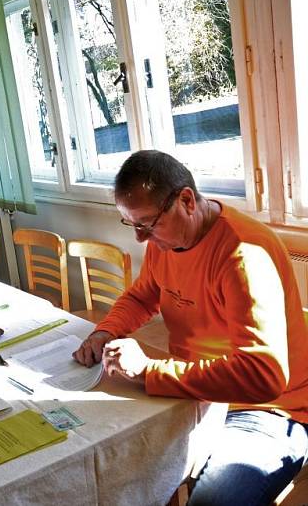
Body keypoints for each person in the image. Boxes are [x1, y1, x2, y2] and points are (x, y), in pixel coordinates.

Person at [73, 150, 308, 505]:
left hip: (268, 410)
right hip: (194, 395)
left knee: (213, 501)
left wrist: (151, 370)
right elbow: (142, 296)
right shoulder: (166, 243)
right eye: (132, 224)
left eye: (147, 223)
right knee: (109, 459)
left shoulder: (244, 254)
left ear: (185, 200)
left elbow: (264, 377)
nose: (140, 238)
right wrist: (104, 331)